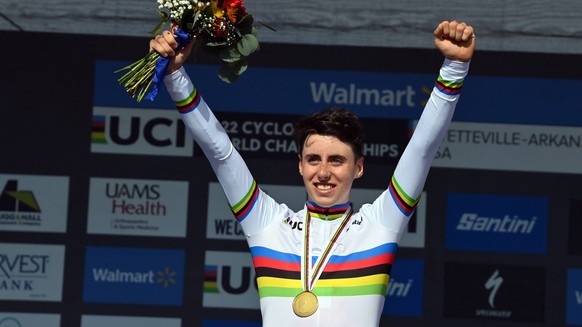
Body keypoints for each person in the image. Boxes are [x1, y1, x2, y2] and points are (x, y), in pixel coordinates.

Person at [150, 20, 475, 327]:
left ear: (358, 167)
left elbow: (421, 149)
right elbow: (220, 152)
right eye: (313, 159)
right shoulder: (267, 224)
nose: (323, 172)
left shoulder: (381, 223)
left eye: (336, 160)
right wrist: (175, 76)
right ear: (300, 165)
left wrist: (455, 68)